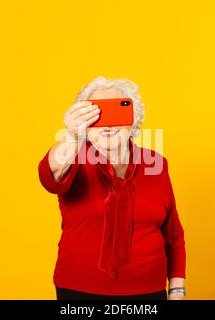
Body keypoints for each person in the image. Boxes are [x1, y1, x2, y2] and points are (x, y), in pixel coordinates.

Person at [38, 76, 186, 300]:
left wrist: (177, 289)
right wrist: (72, 137)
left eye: (116, 113)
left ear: (134, 121)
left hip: (148, 295)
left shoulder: (156, 163)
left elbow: (173, 234)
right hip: (80, 293)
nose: (107, 125)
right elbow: (49, 178)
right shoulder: (72, 158)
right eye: (96, 116)